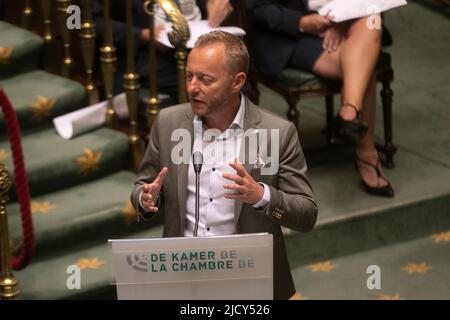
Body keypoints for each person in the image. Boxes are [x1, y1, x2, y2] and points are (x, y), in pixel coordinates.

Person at [131, 31, 318, 300]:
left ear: (237, 81)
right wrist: (145, 198)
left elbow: (306, 215)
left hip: (249, 279)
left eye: (205, 80)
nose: (193, 87)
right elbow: (143, 186)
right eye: (189, 76)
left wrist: (261, 196)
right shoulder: (169, 123)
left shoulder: (275, 133)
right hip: (183, 276)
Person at [246, 0, 394, 197]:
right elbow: (256, 8)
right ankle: (364, 149)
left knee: (372, 21)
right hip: (288, 34)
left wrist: (340, 21)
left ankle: (349, 112)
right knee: (364, 67)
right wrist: (302, 22)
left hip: (346, 22)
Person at [91, 0, 235, 97]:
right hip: (143, 53)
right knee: (215, 83)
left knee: (233, 72)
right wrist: (142, 35)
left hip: (198, 39)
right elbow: (92, 22)